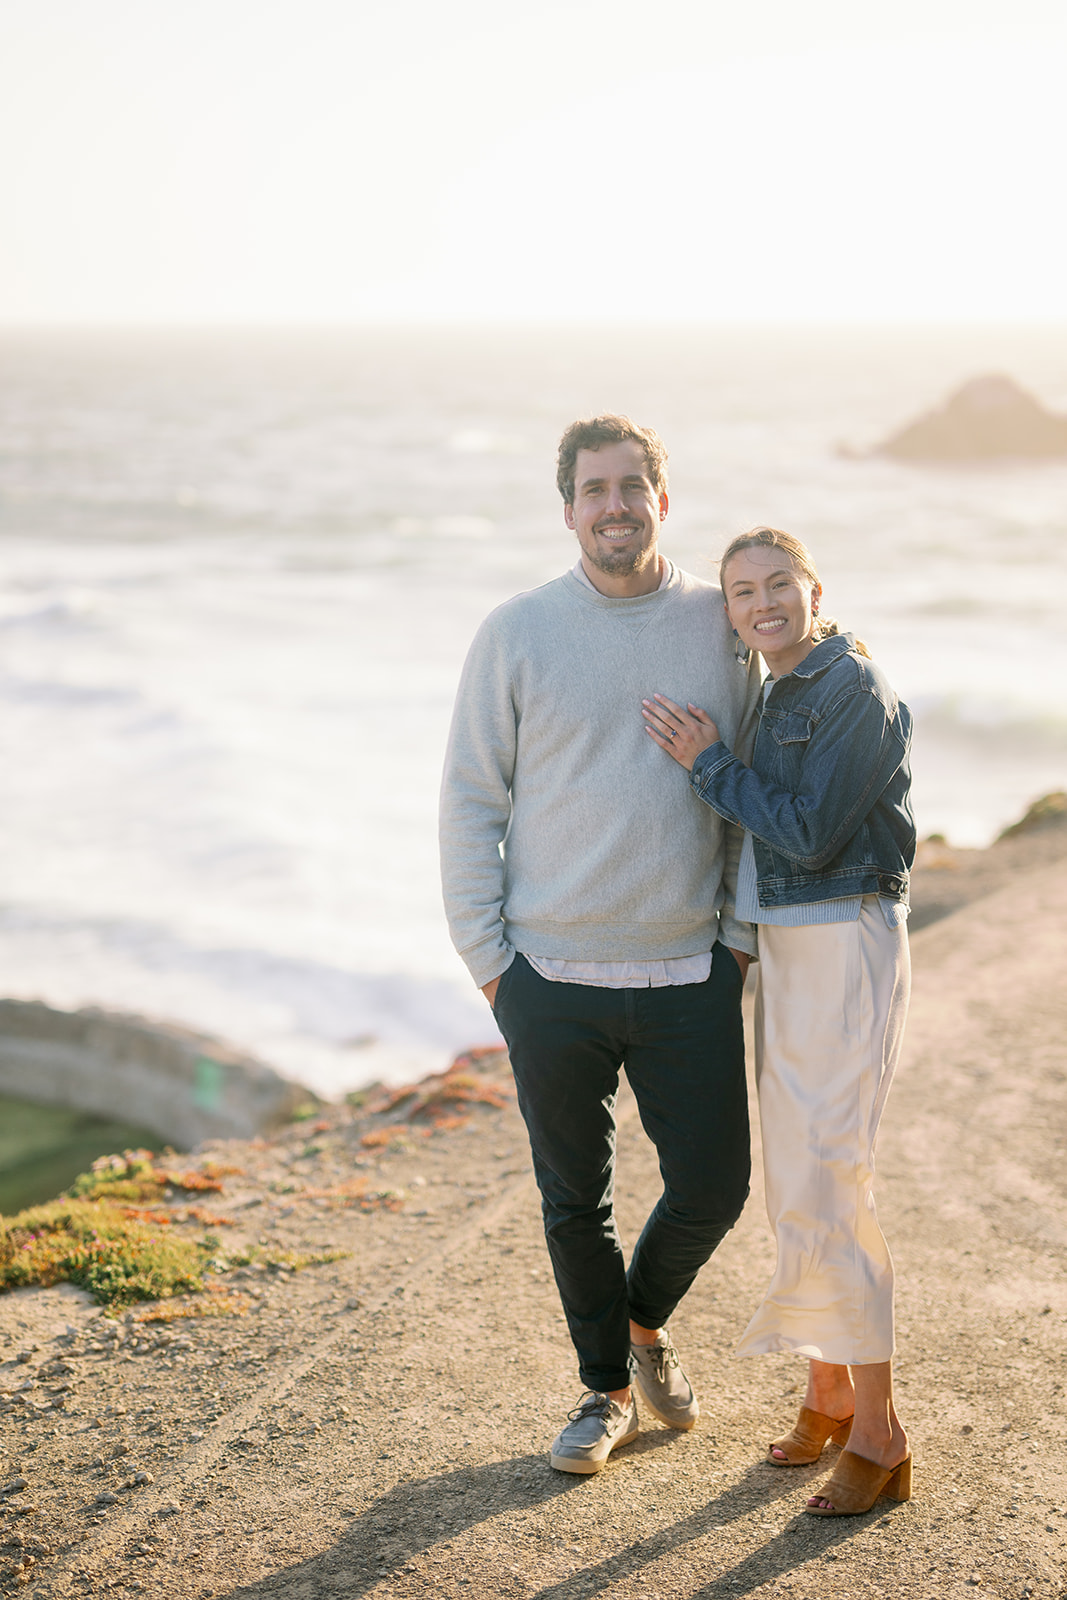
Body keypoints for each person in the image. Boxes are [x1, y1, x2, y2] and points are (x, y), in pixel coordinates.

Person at [439, 415, 761, 1474]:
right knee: (574, 1202)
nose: (613, 505)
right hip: (549, 975)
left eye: (632, 486)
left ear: (661, 501)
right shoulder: (517, 630)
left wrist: (739, 942)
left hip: (687, 971)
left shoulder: (722, 625)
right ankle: (604, 1391)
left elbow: (752, 790)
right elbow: (468, 801)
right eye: (593, 489)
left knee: (714, 1184)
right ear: (568, 508)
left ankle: (641, 1321)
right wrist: (492, 964)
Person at [642, 525, 915, 1517]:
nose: (759, 603)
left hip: (843, 938)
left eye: (775, 585)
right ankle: (828, 1388)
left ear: (812, 588)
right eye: (739, 591)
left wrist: (706, 763)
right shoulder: (774, 689)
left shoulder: (853, 690)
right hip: (791, 949)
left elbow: (803, 828)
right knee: (798, 1176)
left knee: (835, 1178)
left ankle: (882, 1434)